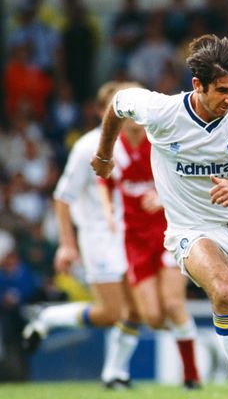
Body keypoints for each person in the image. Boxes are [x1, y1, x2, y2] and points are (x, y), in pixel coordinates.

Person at [91, 34, 228, 399]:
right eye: (222, 90)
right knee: (226, 295)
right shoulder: (163, 111)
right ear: (197, 85)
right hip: (192, 228)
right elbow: (118, 104)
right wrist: (104, 155)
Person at [22, 81, 142, 389]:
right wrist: (67, 244)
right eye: (117, 107)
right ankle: (49, 318)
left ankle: (114, 374)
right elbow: (63, 198)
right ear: (101, 111)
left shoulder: (140, 142)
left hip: (132, 236)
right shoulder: (88, 146)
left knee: (137, 309)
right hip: (98, 238)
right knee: (111, 312)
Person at [96, 113, 201, 389]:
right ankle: (186, 333)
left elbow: (188, 179)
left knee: (173, 305)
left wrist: (163, 198)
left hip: (169, 233)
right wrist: (107, 209)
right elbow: (104, 181)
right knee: (152, 317)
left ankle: (192, 375)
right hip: (135, 241)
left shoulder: (162, 143)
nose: (133, 122)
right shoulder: (114, 148)